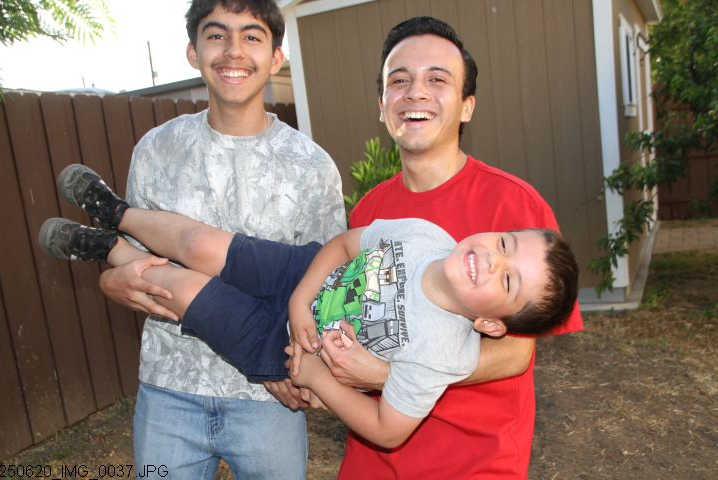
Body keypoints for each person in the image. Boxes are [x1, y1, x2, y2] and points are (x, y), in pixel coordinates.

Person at [39, 163, 578, 450]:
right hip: (300, 273)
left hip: (288, 348)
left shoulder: (445, 354)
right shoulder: (424, 234)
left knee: (183, 291)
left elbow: (389, 430)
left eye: (509, 281)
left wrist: (317, 377)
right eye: (505, 244)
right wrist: (300, 295)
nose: (492, 260)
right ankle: (117, 212)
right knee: (201, 244)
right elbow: (344, 245)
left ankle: (107, 249)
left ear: (489, 324)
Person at [304, 16, 585, 479]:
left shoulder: (516, 205)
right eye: (399, 81)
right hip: (372, 464)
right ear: (382, 106)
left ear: (467, 106)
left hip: (475, 463)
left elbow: (517, 353)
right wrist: (318, 364)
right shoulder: (372, 211)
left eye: (437, 80)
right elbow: (347, 316)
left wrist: (387, 376)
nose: (415, 93)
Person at [94, 0, 345, 478]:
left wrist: (289, 367)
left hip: (268, 396)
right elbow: (136, 262)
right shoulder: (156, 150)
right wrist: (111, 280)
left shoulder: (312, 167)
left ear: (276, 57)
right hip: (169, 387)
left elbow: (321, 289)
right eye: (216, 35)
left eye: (251, 36)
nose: (233, 51)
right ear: (193, 52)